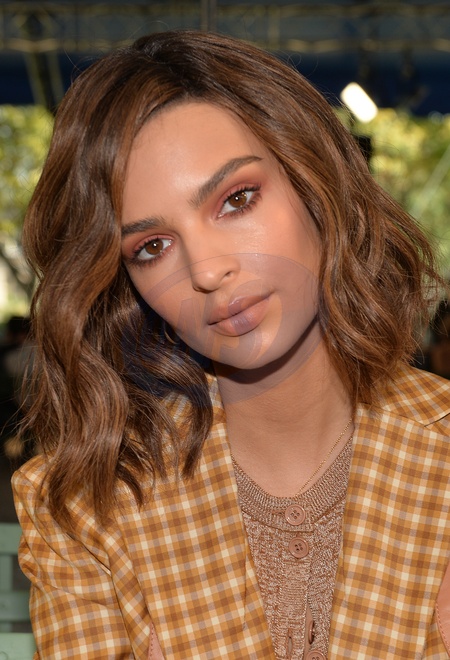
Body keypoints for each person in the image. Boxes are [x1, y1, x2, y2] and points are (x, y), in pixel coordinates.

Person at [12, 29, 450, 659]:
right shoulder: (84, 508)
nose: (207, 269)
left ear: (313, 181)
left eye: (236, 200)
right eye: (152, 247)